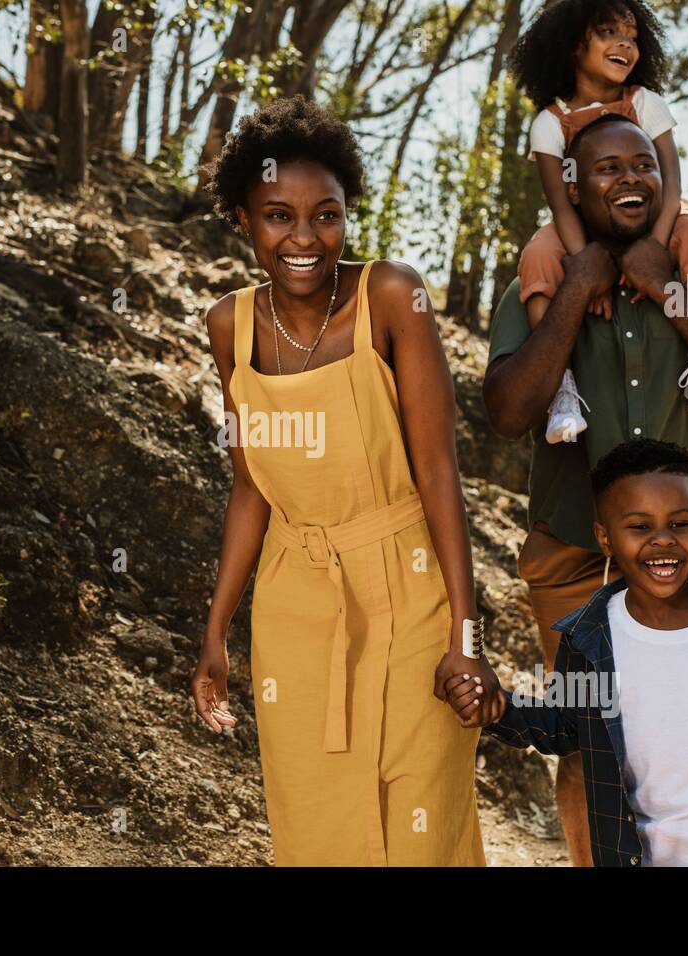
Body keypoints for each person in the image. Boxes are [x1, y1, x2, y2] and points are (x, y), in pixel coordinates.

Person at [189, 96, 497, 866]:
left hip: (411, 590)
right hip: (296, 607)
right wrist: (217, 632)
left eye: (326, 215)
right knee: (318, 824)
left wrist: (466, 636)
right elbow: (251, 487)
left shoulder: (392, 295)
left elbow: (437, 470)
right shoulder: (227, 325)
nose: (303, 237)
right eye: (278, 216)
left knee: (422, 815)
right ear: (242, 220)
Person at [481, 113, 688, 865]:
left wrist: (669, 293)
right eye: (607, 170)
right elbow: (507, 411)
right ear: (574, 193)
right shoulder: (544, 276)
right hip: (571, 548)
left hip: (687, 550)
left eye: (642, 166)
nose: (629, 179)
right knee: (590, 734)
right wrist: (576, 291)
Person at [444, 439, 688, 867]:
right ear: (606, 539)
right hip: (632, 855)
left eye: (679, 524)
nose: (662, 541)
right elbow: (565, 726)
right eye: (639, 527)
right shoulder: (586, 636)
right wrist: (500, 710)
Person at [511, 0, 688, 442]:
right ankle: (562, 390)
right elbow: (561, 206)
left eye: (632, 38)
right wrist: (586, 270)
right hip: (584, 226)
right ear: (575, 44)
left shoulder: (645, 103)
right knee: (538, 254)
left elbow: (671, 181)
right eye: (610, 33)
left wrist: (654, 244)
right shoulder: (550, 124)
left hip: (654, 216)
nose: (625, 45)